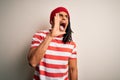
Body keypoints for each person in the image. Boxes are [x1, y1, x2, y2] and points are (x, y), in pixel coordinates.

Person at [28, 7, 78, 80]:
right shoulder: (39, 36)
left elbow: (73, 69)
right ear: (51, 21)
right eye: (60, 15)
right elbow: (32, 62)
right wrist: (51, 35)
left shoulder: (71, 44)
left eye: (66, 16)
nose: (64, 18)